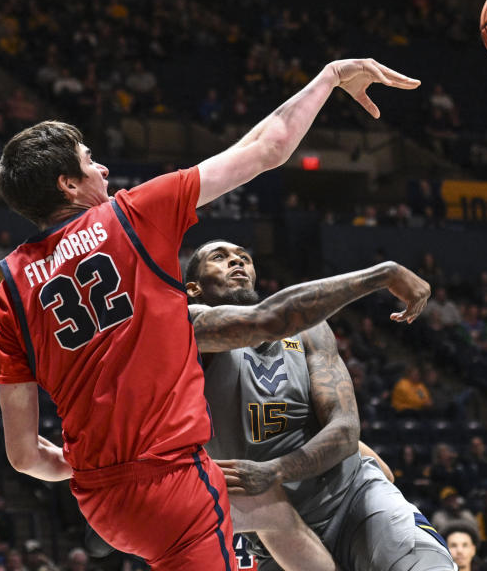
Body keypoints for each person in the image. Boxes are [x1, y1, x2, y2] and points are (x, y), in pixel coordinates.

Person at [0, 60, 420, 570]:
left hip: (101, 502)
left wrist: (92, 468)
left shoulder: (10, 291)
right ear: (67, 184)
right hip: (172, 483)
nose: (102, 169)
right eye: (89, 161)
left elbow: (23, 455)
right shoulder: (130, 216)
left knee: (276, 517)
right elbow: (268, 148)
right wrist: (327, 78)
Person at [183, 240, 453, 570]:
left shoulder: (309, 330)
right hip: (274, 533)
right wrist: (382, 275)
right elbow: (264, 319)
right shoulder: (188, 329)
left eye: (244, 258)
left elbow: (345, 429)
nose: (236, 262)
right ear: (193, 287)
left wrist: (276, 470)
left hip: (353, 496)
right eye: (220, 257)